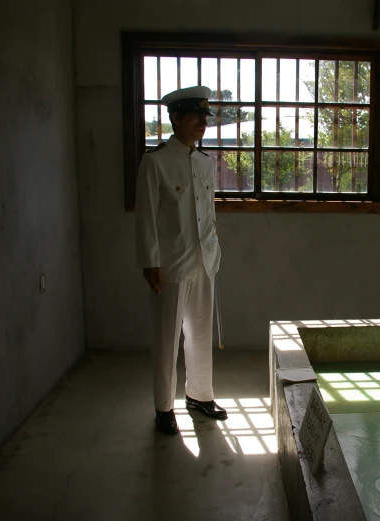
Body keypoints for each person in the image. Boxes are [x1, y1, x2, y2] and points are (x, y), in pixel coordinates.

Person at [136, 85, 227, 436]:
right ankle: (163, 407)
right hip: (171, 264)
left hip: (204, 260)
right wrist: (149, 261)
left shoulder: (204, 162)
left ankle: (199, 395)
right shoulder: (155, 161)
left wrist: (214, 250)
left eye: (205, 119)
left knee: (201, 331)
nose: (202, 125)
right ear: (175, 118)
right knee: (167, 336)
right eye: (195, 117)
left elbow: (209, 212)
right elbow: (145, 215)